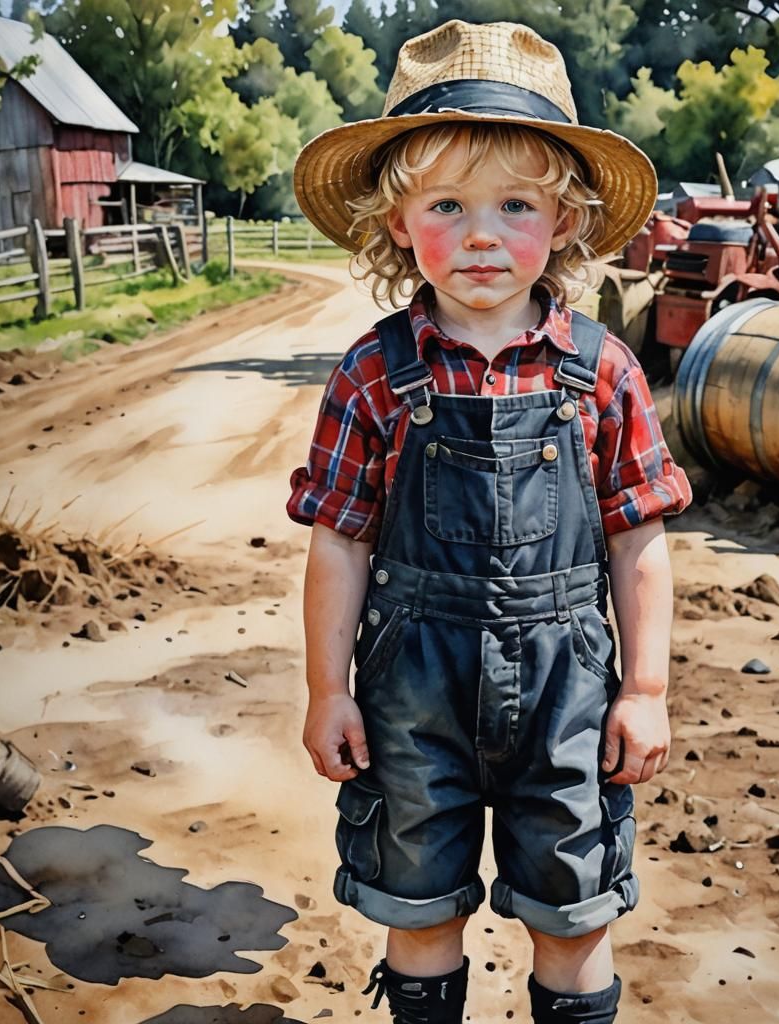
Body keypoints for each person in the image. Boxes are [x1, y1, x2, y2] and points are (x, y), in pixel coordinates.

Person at [287, 19, 693, 1024]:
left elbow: (638, 541)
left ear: (563, 221)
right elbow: (339, 540)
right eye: (446, 205)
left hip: (567, 694)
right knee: (419, 909)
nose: (481, 234)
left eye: (515, 204)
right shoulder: (373, 372)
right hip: (411, 693)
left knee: (574, 916)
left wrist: (645, 689)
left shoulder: (602, 371)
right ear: (396, 221)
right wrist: (327, 689)